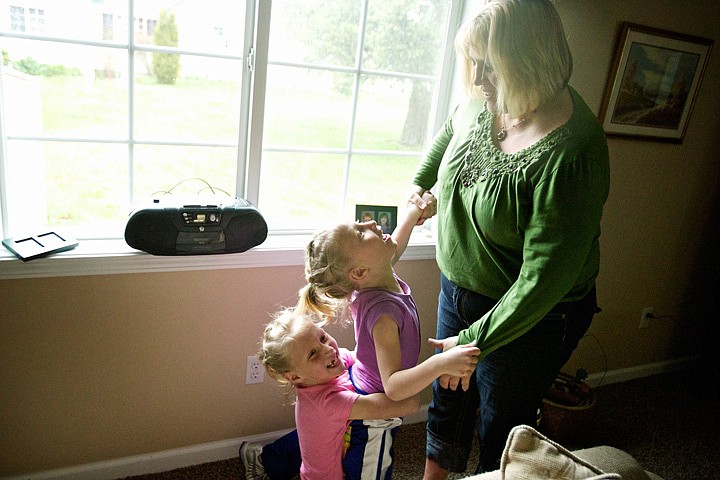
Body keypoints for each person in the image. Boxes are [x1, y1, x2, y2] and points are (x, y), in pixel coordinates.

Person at [407, 0, 611, 477]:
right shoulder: (484, 99)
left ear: (529, 62)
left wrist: (474, 340)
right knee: (447, 405)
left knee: (502, 423)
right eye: (474, 65)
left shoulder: (574, 151)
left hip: (533, 317)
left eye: (490, 68)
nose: (478, 81)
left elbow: (543, 282)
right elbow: (451, 131)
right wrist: (421, 181)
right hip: (460, 293)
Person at [241, 201, 481, 480]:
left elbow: (395, 246)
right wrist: (440, 363)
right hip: (373, 414)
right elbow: (394, 386)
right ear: (359, 273)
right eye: (359, 232)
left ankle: (269, 459)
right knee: (370, 471)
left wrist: (414, 211)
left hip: (360, 379)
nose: (368, 223)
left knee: (326, 425)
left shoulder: (377, 276)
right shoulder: (383, 316)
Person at [258, 308, 420, 480]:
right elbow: (409, 405)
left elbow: (365, 359)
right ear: (295, 376)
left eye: (322, 338)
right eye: (313, 354)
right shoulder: (328, 403)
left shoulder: (333, 361)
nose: (327, 349)